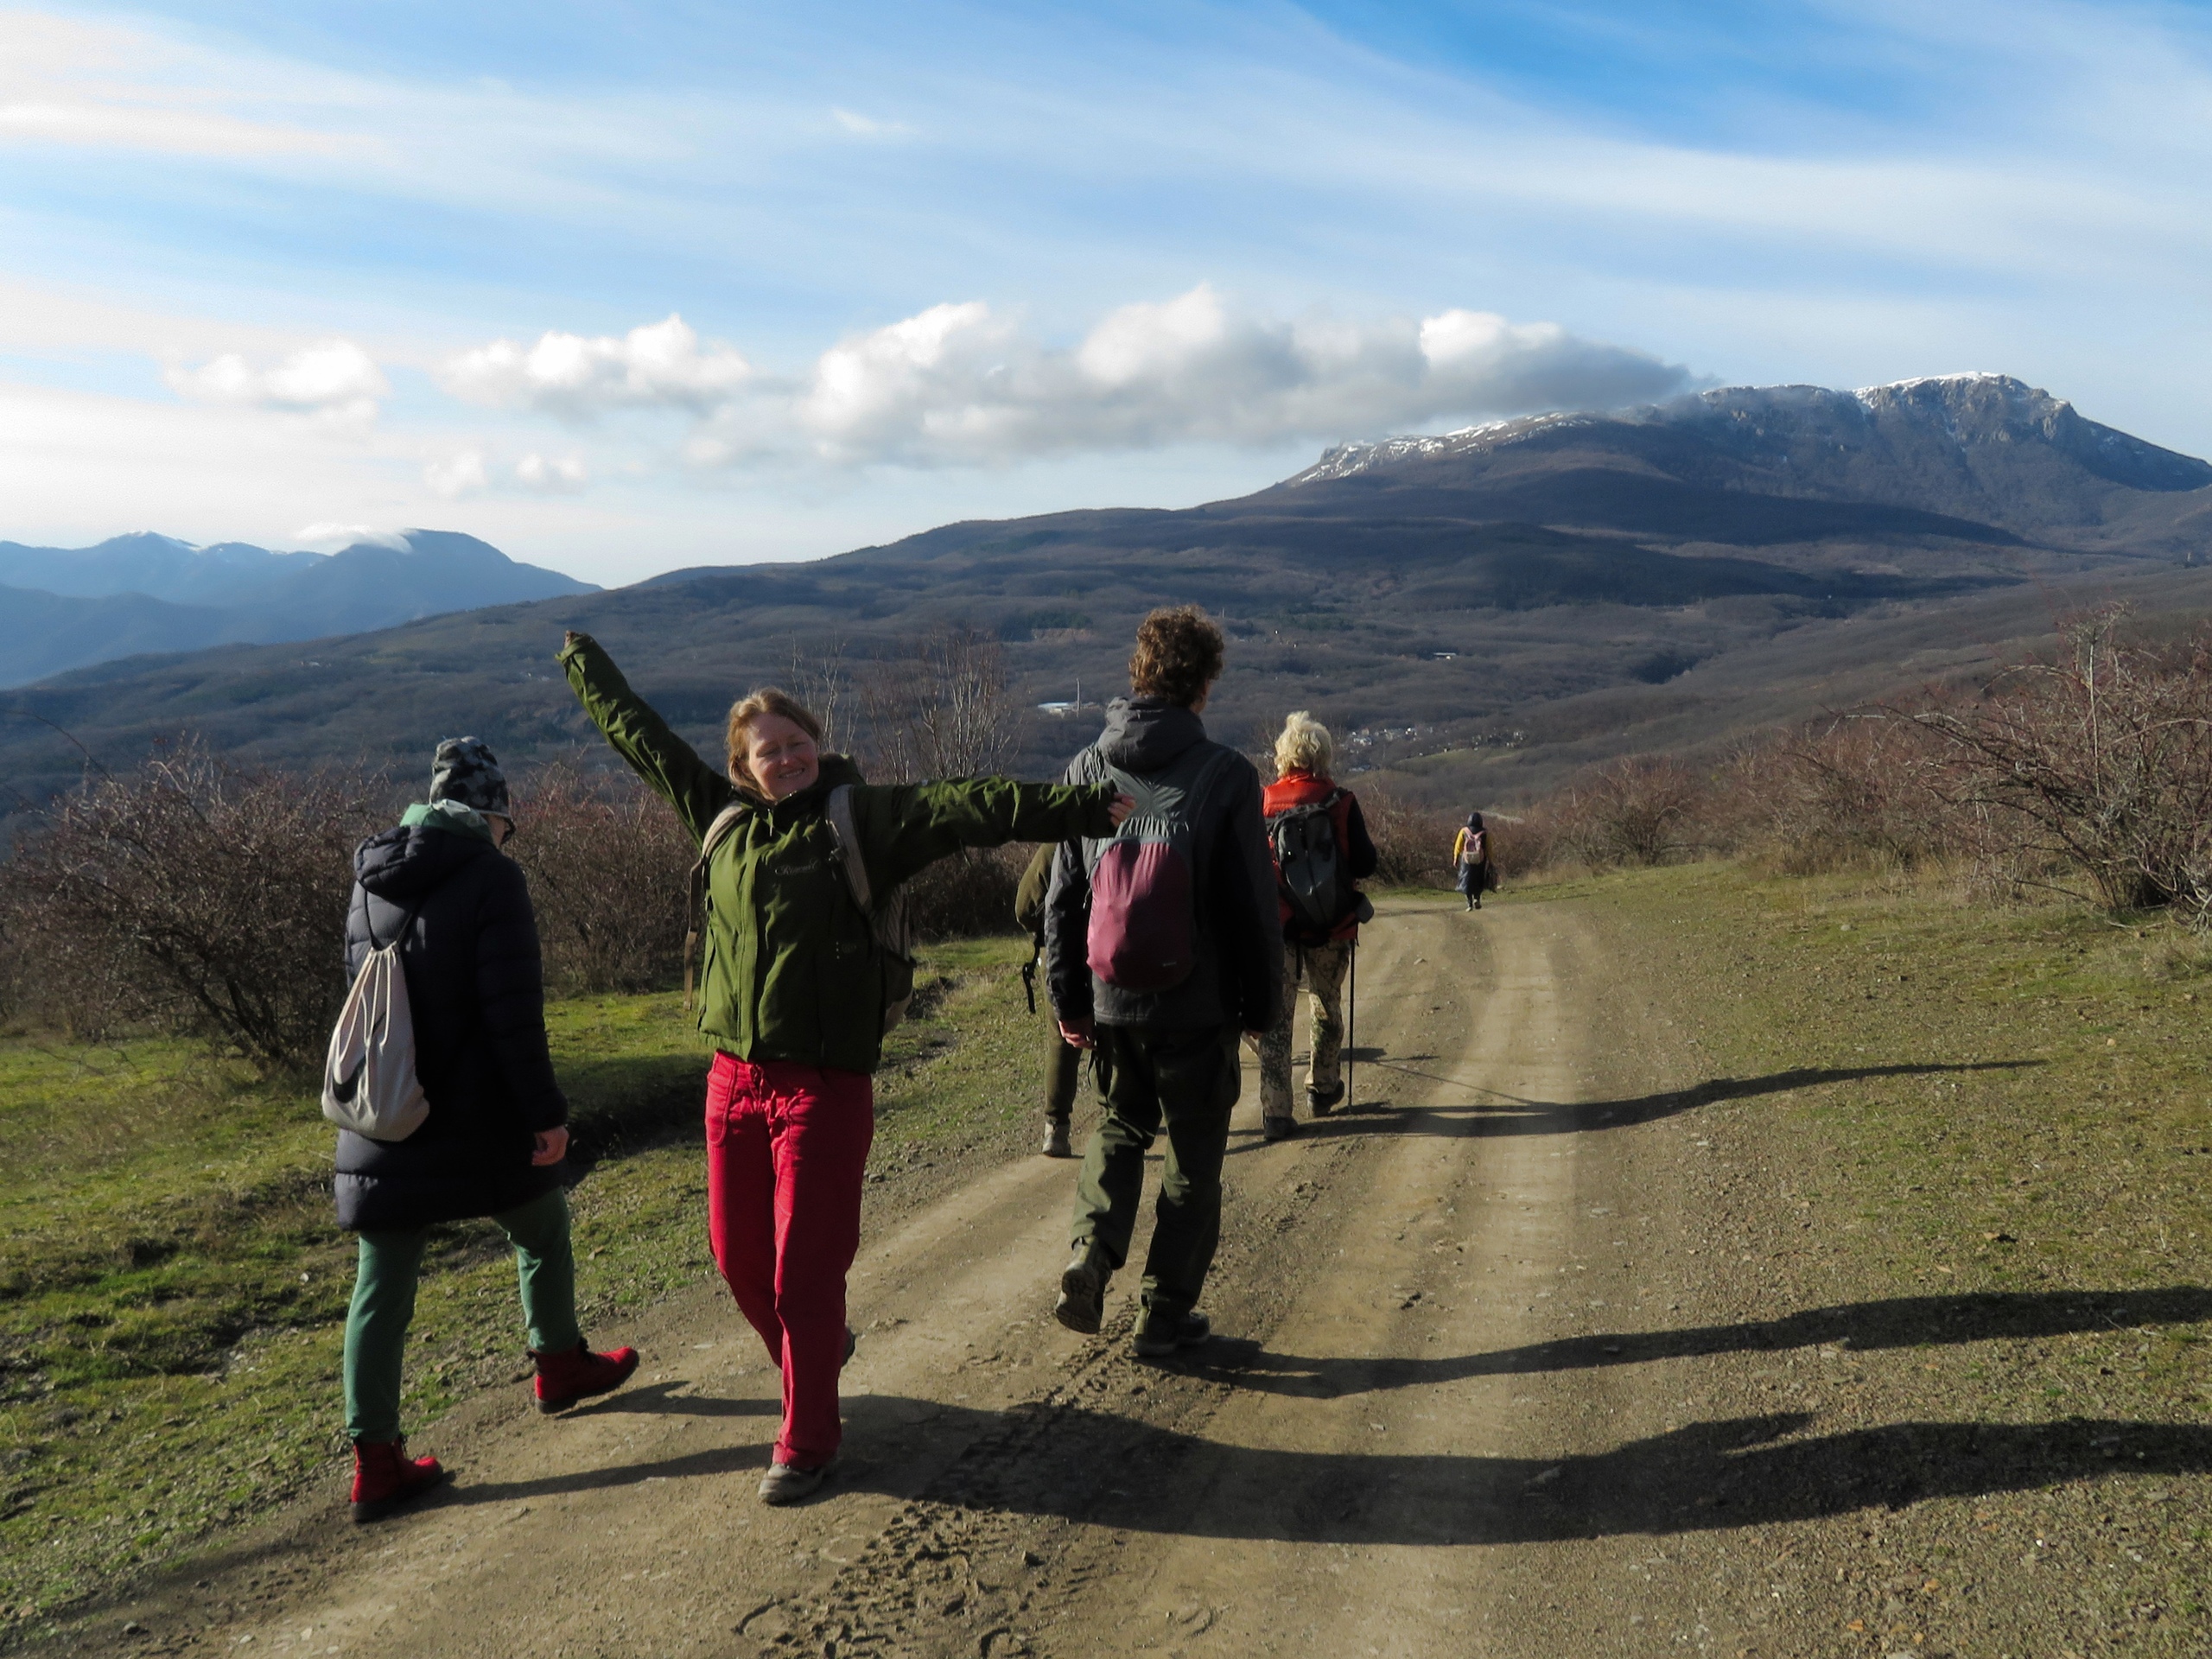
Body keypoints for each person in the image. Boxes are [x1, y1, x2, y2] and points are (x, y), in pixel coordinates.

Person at [558, 631, 1128, 1504]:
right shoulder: (721, 817)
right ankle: (814, 1354)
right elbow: (642, 739)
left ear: (816, 745)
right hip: (730, 1082)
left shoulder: (861, 817)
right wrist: (583, 665)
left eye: (795, 744)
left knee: (803, 1272)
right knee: (736, 1258)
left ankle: (808, 1440)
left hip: (822, 1086)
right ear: (743, 768)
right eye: (766, 752)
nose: (784, 759)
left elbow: (971, 804)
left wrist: (1088, 811)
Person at [337, 737, 639, 1525]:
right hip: (475, 1117)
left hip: (390, 1112)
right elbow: (513, 1017)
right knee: (541, 1228)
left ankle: (376, 1463)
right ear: (494, 815)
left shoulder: (368, 882)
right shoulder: (493, 877)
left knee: (383, 1283)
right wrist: (546, 1115)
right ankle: (559, 1364)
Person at [1043, 607, 1281, 1357]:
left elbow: (1061, 900)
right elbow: (1252, 905)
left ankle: (1091, 1253)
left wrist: (1068, 999)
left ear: (1136, 675)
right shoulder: (1227, 776)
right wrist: (1262, 1004)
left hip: (1113, 1001)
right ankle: (1162, 1316)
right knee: (1193, 1152)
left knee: (1118, 1127)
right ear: (1204, 685)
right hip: (1198, 1004)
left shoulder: (1085, 769)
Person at [1257, 711, 1378, 1141]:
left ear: (1284, 756)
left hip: (1281, 927)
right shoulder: (1341, 801)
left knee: (1277, 1018)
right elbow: (1366, 862)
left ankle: (1275, 1111)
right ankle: (1322, 1089)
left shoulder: (1265, 803)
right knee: (1326, 1005)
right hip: (1333, 925)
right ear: (1323, 756)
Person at [1015, 842, 1084, 1158]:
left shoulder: (1058, 840)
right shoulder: (1132, 827)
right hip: (1116, 949)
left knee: (1060, 1038)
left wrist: (1048, 929)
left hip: (1061, 950)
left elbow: (1024, 908)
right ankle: (1123, 1112)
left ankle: (1056, 1129)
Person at [1453, 810, 1492, 910]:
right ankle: (1477, 899)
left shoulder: (1464, 831)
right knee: (1478, 880)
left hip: (1466, 861)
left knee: (1466, 881)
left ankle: (1469, 903)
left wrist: (1456, 858)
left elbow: (1458, 846)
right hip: (1480, 861)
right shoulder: (1485, 833)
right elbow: (1489, 848)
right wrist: (1490, 860)